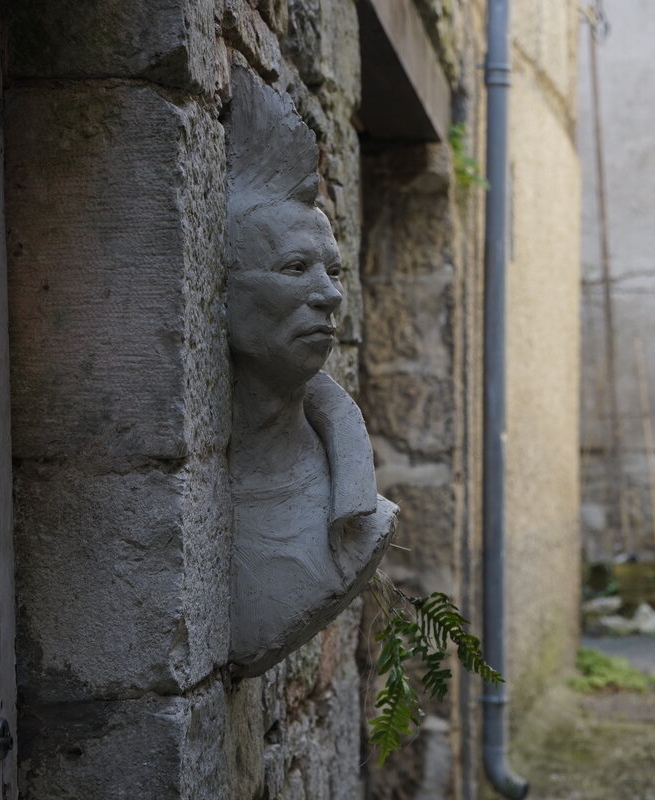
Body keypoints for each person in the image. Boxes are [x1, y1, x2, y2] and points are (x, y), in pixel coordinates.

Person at [225, 66, 396, 678]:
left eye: (333, 271)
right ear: (220, 291)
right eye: (295, 268)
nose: (328, 295)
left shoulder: (356, 512)